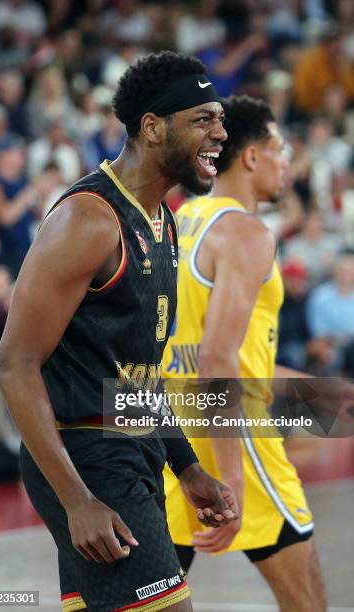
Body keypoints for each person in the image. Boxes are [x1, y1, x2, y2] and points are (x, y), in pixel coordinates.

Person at [0, 51, 238, 612]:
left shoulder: (159, 219)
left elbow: (134, 379)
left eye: (220, 119)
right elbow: (14, 364)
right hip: (88, 459)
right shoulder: (88, 220)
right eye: (203, 119)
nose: (220, 133)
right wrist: (77, 500)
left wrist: (187, 464)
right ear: (152, 127)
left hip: (132, 452)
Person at [163, 96, 327, 612]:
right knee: (307, 601)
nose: (287, 163)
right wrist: (231, 477)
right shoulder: (247, 233)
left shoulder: (183, 218)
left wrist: (325, 397)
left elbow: (205, 349)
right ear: (253, 157)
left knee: (150, 597)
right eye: (281, 149)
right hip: (233, 432)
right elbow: (217, 360)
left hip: (163, 423)